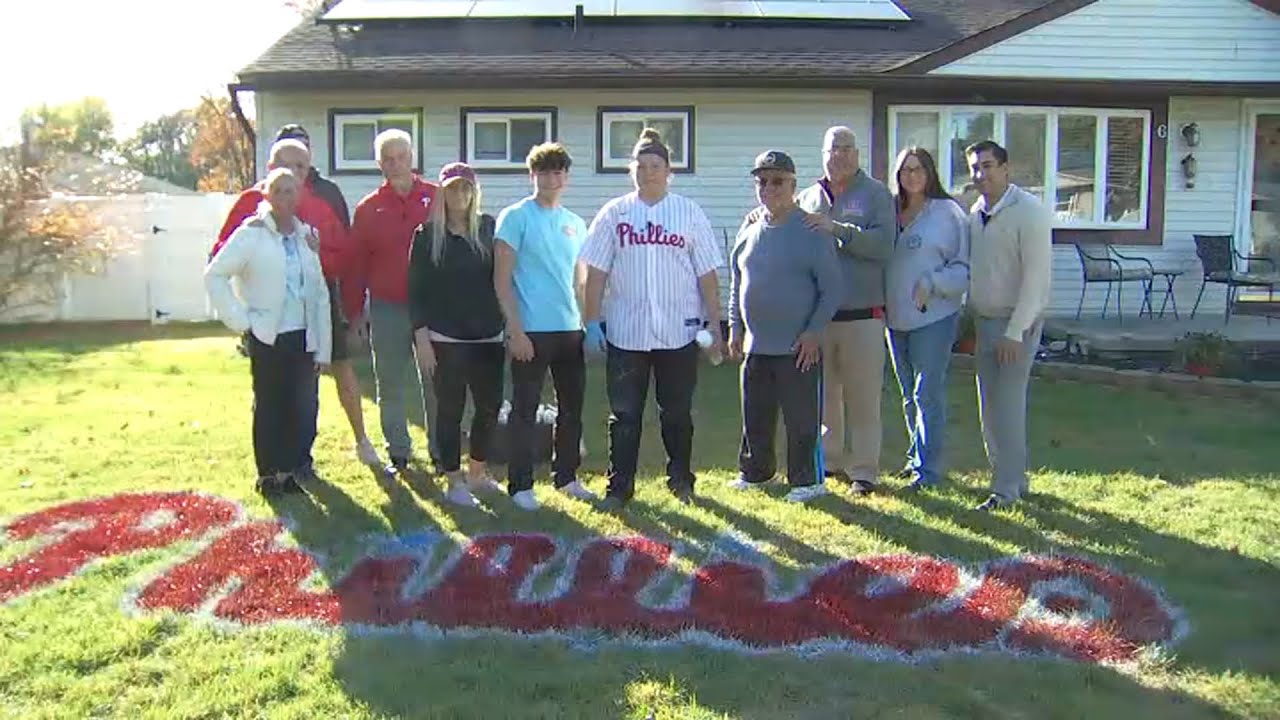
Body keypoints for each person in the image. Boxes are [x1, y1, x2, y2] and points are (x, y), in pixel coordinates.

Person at [210, 136, 380, 473]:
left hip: (310, 317)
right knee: (272, 396)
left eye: (301, 167)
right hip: (267, 322)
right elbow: (220, 259)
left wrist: (343, 298)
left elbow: (341, 258)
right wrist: (241, 317)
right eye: (286, 166)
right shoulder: (250, 208)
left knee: (306, 395)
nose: (294, 174)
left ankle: (301, 461)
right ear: (271, 169)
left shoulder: (316, 211)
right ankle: (272, 470)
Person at [580, 128, 725, 510]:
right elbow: (594, 272)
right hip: (627, 333)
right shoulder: (615, 213)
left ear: (668, 170)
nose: (648, 172)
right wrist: (591, 322)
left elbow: (708, 274)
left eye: (655, 165)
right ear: (632, 171)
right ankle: (619, 487)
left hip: (678, 331)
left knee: (676, 412)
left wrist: (715, 323)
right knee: (624, 415)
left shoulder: (688, 213)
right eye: (641, 166)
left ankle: (681, 479)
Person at [205, 168, 332, 496]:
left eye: (292, 191)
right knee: (270, 405)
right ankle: (268, 474)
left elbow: (318, 293)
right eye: (279, 191)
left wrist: (324, 346)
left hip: (303, 335)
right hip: (267, 334)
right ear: (267, 196)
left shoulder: (307, 236)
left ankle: (289, 472)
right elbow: (215, 275)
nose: (286, 198)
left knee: (298, 406)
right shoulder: (252, 234)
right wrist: (241, 320)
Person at [727, 150, 842, 503]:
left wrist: (814, 331)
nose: (770, 188)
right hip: (756, 345)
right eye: (762, 181)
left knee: (801, 418)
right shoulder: (749, 229)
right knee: (755, 415)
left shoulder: (811, 230)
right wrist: (735, 327)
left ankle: (807, 481)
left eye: (778, 181)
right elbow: (736, 282)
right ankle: (756, 473)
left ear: (793, 185)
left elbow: (833, 288)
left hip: (798, 345)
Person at [795, 126, 896, 494]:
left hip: (863, 315)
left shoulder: (876, 195)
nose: (839, 155)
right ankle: (831, 462)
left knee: (863, 400)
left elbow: (884, 246)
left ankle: (864, 472)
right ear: (822, 154)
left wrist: (838, 229)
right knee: (825, 400)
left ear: (858, 154)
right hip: (820, 319)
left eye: (846, 148)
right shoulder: (808, 197)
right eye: (832, 149)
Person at [493, 141, 593, 511]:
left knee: (572, 408)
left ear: (566, 177)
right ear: (532, 175)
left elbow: (580, 282)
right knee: (525, 408)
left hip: (569, 330)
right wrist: (515, 329)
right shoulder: (515, 217)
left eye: (558, 172)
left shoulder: (575, 223)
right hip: (531, 331)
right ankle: (521, 485)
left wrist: (589, 324)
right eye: (544, 172)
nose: (551, 178)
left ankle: (566, 477)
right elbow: (501, 279)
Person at [407, 162, 505, 508]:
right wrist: (421, 339)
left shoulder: (490, 229)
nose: (459, 195)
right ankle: (453, 479)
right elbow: (415, 291)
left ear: (474, 193)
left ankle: (477, 472)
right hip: (445, 338)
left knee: (489, 408)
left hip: (488, 337)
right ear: (442, 193)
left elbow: (504, 279)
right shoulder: (426, 235)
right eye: (452, 189)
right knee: (449, 410)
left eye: (465, 188)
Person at [964, 140, 1052, 511]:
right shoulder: (976, 211)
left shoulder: (1029, 211)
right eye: (974, 167)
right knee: (989, 407)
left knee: (1008, 407)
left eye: (987, 165)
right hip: (984, 321)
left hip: (1017, 324)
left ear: (1005, 168)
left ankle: (1006, 491)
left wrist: (1016, 331)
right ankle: (1013, 478)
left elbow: (1037, 278)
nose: (980, 174)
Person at [349, 129, 440, 474]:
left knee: (436, 381)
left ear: (412, 157)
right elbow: (357, 267)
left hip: (432, 308)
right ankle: (399, 451)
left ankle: (439, 449)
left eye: (402, 156)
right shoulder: (369, 209)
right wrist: (356, 315)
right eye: (388, 158)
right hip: (388, 307)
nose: (396, 164)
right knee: (390, 382)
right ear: (379, 164)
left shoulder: (437, 198)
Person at [884, 147, 970, 492]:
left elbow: (964, 269)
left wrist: (932, 283)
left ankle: (929, 470)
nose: (911, 176)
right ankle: (914, 457)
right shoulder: (890, 211)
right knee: (907, 394)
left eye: (918, 169)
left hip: (934, 317)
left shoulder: (948, 214)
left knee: (926, 393)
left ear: (930, 173)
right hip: (894, 318)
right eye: (905, 170)